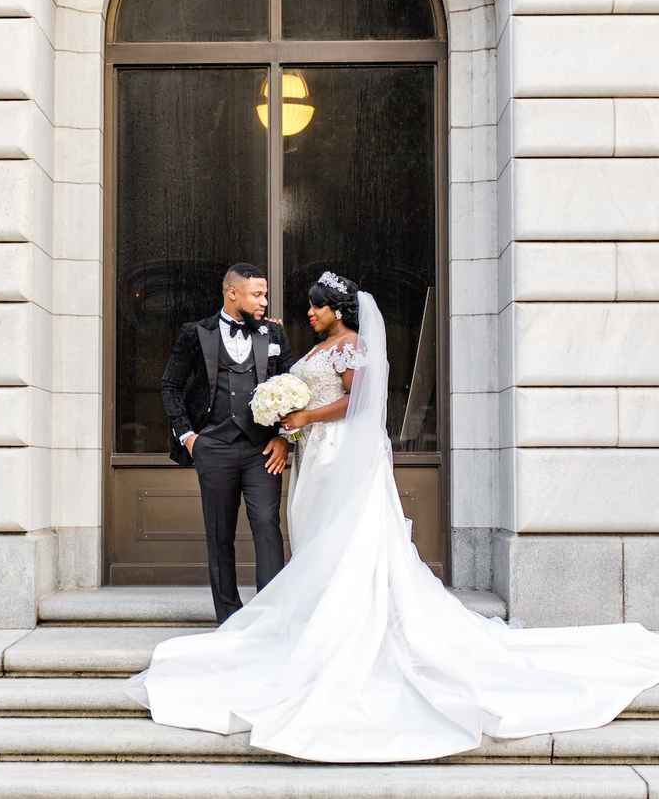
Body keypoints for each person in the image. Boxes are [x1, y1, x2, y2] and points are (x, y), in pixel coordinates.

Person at [127, 272, 659, 763]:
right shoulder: (313, 347)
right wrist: (284, 431)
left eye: (314, 307)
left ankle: (342, 632)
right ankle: (307, 622)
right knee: (313, 544)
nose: (304, 313)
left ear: (335, 309)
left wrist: (305, 416)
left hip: (338, 458)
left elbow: (358, 403)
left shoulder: (353, 348)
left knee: (344, 543)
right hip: (309, 457)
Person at [161, 262, 292, 623]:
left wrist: (283, 437)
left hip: (260, 450)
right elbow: (170, 386)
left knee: (267, 525)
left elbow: (291, 388)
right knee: (219, 533)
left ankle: (270, 617)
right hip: (213, 447)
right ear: (232, 292)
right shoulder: (195, 333)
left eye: (265, 294)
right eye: (257, 294)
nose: (264, 301)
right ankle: (229, 619)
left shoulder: (275, 335)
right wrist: (188, 436)